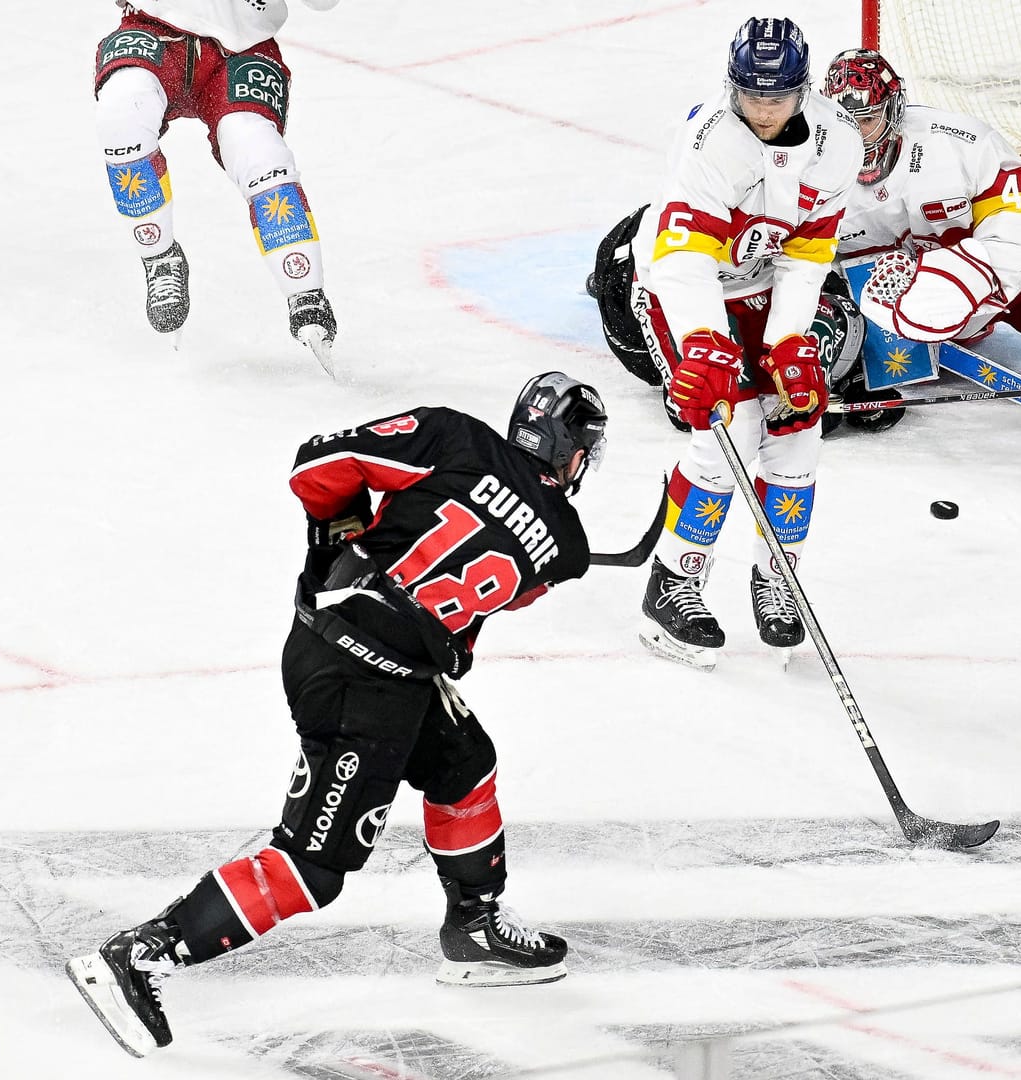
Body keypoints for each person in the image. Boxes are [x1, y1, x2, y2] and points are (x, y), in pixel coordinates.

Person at [66, 373, 608, 1057]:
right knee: (313, 867)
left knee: (464, 762)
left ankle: (475, 925)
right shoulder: (567, 544)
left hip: (354, 652)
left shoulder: (454, 434)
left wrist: (340, 531)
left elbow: (319, 464)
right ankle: (140, 954)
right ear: (572, 451)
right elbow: (485, 595)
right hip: (360, 686)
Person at [621, 16, 863, 671]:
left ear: (802, 91)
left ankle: (776, 575)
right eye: (751, 94)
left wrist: (789, 343)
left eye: (776, 96)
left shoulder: (838, 143)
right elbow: (682, 254)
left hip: (761, 283)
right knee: (729, 429)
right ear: (733, 87)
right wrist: (705, 345)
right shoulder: (709, 143)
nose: (762, 108)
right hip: (682, 283)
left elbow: (807, 253)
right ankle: (674, 582)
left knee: (797, 426)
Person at [821, 49, 1021, 431]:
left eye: (867, 119)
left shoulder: (959, 143)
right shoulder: (816, 172)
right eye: (845, 123)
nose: (858, 137)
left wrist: (961, 280)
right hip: (920, 305)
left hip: (1012, 276)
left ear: (895, 110)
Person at [92, 0, 341, 370]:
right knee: (122, 109)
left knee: (256, 149)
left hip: (243, 49)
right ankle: (159, 256)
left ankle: (303, 287)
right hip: (154, 30)